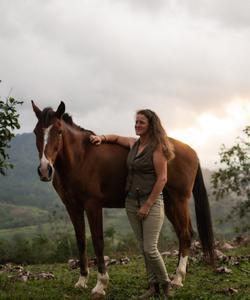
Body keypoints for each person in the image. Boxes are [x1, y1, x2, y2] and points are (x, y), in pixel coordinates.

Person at [90, 109, 175, 299]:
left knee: (150, 248)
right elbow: (117, 138)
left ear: (151, 125)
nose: (137, 125)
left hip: (150, 202)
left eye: (141, 123)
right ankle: (152, 286)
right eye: (136, 122)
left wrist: (147, 205)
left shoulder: (158, 148)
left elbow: (162, 179)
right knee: (142, 246)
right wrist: (101, 138)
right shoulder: (134, 144)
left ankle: (166, 282)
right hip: (131, 202)